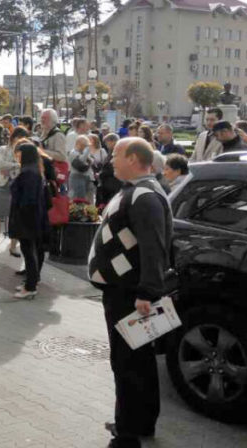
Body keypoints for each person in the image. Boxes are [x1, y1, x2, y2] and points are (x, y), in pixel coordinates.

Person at [88, 138, 172, 447]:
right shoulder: (137, 191)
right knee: (138, 362)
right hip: (125, 292)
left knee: (128, 364)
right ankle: (137, 422)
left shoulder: (144, 196)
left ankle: (128, 434)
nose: (111, 160)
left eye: (117, 155)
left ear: (135, 159)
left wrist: (147, 293)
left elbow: (154, 249)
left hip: (130, 295)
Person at [9, 143, 49, 300]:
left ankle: (30, 286)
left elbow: (28, 198)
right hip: (32, 217)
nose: (17, 157)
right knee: (30, 251)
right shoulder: (34, 170)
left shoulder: (29, 172)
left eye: (19, 154)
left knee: (29, 252)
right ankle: (31, 282)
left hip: (27, 218)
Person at [0, 127, 28, 255]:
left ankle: (13, 245)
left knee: (15, 216)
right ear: (13, 137)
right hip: (2, 184)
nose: (20, 141)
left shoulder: (25, 151)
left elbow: (24, 167)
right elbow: (0, 164)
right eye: (18, 138)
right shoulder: (3, 149)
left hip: (17, 186)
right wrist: (16, 166)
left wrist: (10, 168)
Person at [68, 135, 93, 201]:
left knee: (86, 200)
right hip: (77, 178)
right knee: (78, 200)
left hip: (86, 177)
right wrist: (87, 150)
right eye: (84, 145)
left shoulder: (82, 153)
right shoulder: (73, 152)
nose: (85, 147)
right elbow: (81, 163)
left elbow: (91, 161)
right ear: (78, 143)